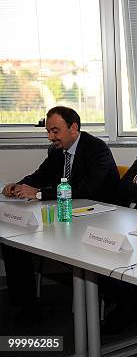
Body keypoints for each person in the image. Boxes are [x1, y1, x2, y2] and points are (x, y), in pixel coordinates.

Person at [1, 106, 120, 324]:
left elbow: (87, 189)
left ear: (73, 128)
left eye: (55, 131)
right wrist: (19, 185)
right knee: (12, 243)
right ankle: (27, 306)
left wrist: (38, 193)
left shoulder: (96, 149)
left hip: (100, 217)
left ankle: (117, 298)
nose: (50, 137)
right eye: (48, 131)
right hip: (66, 214)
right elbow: (41, 174)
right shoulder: (57, 150)